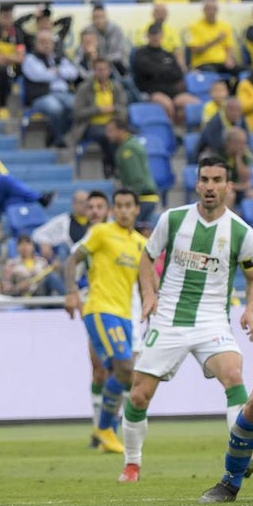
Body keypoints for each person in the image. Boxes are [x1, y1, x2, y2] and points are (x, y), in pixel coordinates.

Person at [122, 158, 253, 484]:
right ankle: (132, 464)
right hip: (169, 317)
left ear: (228, 185)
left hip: (212, 319)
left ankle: (242, 452)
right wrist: (148, 295)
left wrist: (250, 310)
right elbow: (147, 258)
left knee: (232, 373)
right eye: (205, 179)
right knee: (139, 395)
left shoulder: (241, 232)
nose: (210, 186)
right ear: (197, 184)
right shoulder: (172, 220)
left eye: (217, 180)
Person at [64, 188, 146, 456]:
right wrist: (70, 293)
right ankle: (104, 429)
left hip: (126, 315)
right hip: (100, 309)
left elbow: (145, 282)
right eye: (118, 206)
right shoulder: (101, 233)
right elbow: (72, 260)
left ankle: (106, 431)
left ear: (136, 210)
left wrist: (150, 302)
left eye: (128, 206)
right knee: (123, 366)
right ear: (114, 210)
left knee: (124, 374)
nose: (123, 210)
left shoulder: (140, 243)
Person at [132, 22, 198, 125]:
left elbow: (178, 73)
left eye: (157, 34)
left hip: (173, 91)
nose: (155, 37)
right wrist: (165, 70)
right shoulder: (140, 53)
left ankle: (187, 133)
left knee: (194, 103)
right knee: (167, 105)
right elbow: (146, 70)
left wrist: (159, 71)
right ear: (148, 36)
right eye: (152, 35)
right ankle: (171, 134)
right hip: (152, 91)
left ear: (162, 36)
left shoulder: (167, 54)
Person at [22, 29, 79, 148]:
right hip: (41, 96)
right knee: (55, 108)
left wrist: (56, 71)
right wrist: (60, 72)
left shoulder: (59, 57)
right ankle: (59, 139)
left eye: (48, 42)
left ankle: (54, 133)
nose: (46, 45)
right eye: (42, 42)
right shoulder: (30, 59)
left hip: (63, 93)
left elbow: (73, 72)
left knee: (78, 106)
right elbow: (40, 75)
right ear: (36, 44)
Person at [73, 58, 128, 176]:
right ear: (94, 71)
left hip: (113, 123)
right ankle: (114, 166)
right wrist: (98, 110)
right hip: (90, 125)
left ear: (109, 71)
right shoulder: (84, 88)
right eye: (98, 70)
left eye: (104, 69)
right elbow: (78, 113)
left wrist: (114, 110)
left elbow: (123, 108)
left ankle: (115, 165)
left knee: (129, 135)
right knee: (106, 135)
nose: (101, 72)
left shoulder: (116, 87)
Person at [106, 118, 160, 230]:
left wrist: (127, 202)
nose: (108, 134)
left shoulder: (128, 150)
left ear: (121, 130)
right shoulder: (131, 144)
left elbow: (136, 179)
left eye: (111, 130)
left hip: (142, 199)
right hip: (146, 198)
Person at [186, 0, 238, 75]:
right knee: (212, 74)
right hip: (203, 62)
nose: (211, 12)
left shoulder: (225, 26)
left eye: (213, 9)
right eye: (208, 9)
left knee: (245, 71)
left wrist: (229, 59)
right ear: (203, 10)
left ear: (217, 11)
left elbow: (228, 47)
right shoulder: (194, 27)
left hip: (222, 62)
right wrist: (215, 41)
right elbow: (194, 50)